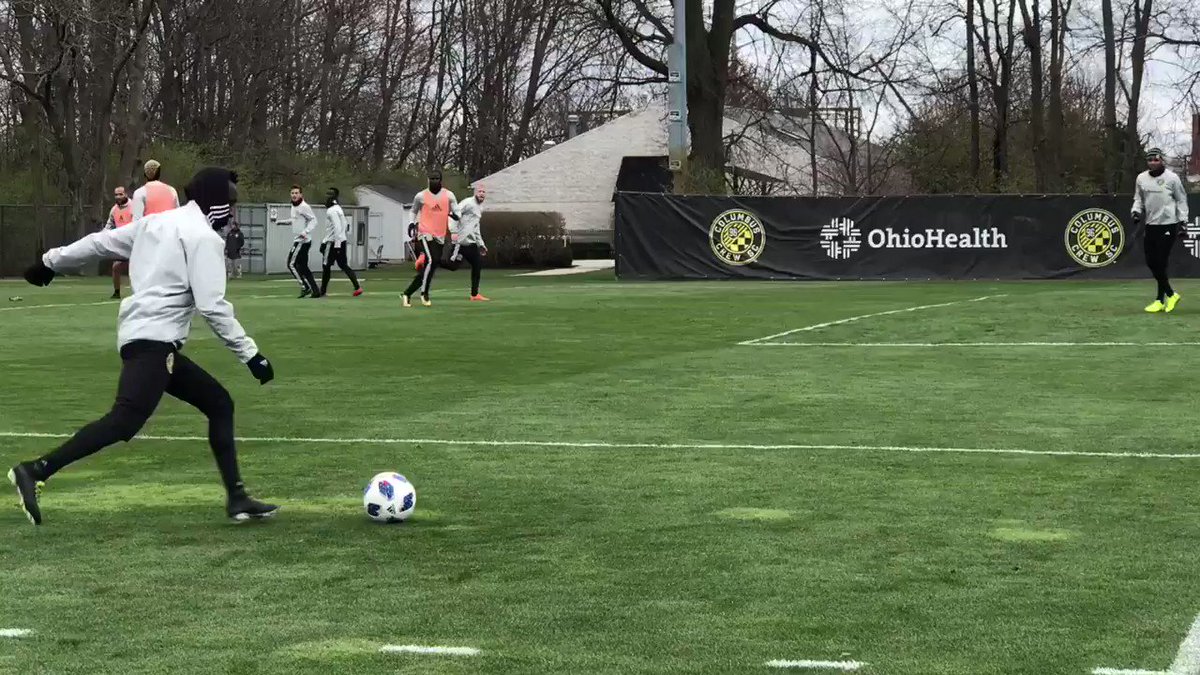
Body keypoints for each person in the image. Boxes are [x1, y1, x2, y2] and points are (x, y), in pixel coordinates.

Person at [8, 167, 279, 526]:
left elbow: (98, 243)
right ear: (215, 200)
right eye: (229, 202)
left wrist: (49, 262)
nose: (231, 211)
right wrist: (251, 355)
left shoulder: (157, 224)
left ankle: (237, 498)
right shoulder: (203, 238)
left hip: (145, 339)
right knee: (124, 421)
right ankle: (36, 470)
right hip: (155, 343)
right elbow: (211, 305)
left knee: (219, 403)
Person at [1133, 147, 1190, 313]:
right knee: (1151, 262)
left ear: (1161, 160)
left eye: (1156, 160)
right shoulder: (1141, 178)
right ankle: (1168, 296)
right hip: (1151, 224)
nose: (1153, 163)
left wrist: (1183, 221)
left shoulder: (1172, 178)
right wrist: (1136, 211)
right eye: (1150, 160)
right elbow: (1138, 198)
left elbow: (1181, 200)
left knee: (1160, 262)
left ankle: (1162, 298)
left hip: (1168, 224)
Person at [401, 169, 459, 307]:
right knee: (432, 260)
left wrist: (456, 215)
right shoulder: (421, 196)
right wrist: (411, 223)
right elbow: (413, 210)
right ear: (428, 180)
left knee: (431, 266)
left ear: (441, 180)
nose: (433, 181)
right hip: (425, 233)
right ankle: (424, 293)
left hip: (440, 235)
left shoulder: (449, 195)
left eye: (436, 178)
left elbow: (457, 210)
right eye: (431, 179)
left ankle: (407, 293)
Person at [272, 185, 320, 298]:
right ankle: (315, 290)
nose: (294, 195)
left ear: (301, 195)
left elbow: (314, 220)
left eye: (296, 193)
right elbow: (295, 220)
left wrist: (306, 231)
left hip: (302, 240)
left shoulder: (304, 207)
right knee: (303, 267)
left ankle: (305, 287)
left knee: (291, 264)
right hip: (300, 239)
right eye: (292, 193)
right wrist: (281, 222)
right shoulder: (294, 207)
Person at [445, 184, 489, 301]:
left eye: (484, 192)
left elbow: (476, 227)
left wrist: (481, 244)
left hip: (470, 242)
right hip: (460, 242)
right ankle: (429, 261)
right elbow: (453, 215)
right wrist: (453, 232)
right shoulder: (467, 203)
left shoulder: (480, 208)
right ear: (475, 193)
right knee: (452, 266)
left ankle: (474, 295)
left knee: (477, 264)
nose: (481, 194)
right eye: (479, 191)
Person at [319, 187, 363, 297]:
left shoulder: (331, 211)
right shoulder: (339, 208)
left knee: (326, 265)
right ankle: (357, 287)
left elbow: (337, 227)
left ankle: (322, 291)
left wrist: (335, 244)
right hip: (341, 240)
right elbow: (345, 225)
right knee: (343, 265)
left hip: (333, 241)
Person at [104, 185, 135, 300]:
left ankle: (139, 293)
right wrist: (103, 235)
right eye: (116, 194)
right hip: (122, 244)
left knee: (136, 268)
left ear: (126, 194)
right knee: (116, 267)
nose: (118, 196)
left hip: (135, 244)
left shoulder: (134, 206)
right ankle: (117, 292)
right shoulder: (114, 209)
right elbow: (109, 225)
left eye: (120, 194)